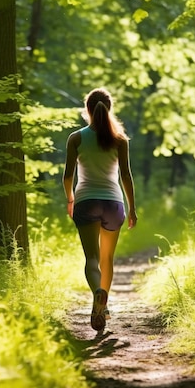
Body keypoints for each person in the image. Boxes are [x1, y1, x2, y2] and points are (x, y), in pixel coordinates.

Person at [62, 87, 137, 332]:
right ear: (109, 108)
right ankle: (103, 306)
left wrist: (70, 199)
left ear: (87, 110)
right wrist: (132, 208)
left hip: (86, 201)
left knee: (92, 259)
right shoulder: (120, 140)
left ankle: (97, 295)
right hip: (114, 203)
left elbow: (67, 176)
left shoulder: (76, 138)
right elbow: (126, 175)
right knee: (107, 259)